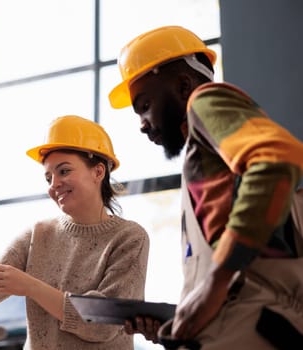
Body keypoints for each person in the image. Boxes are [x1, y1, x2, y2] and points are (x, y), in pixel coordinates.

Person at [108, 25, 303, 349]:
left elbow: (278, 159)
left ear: (183, 85)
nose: (142, 124)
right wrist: (179, 325)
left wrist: (214, 285)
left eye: (144, 105)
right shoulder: (208, 163)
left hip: (259, 324)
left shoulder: (204, 100)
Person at [0, 114, 150, 349]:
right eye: (48, 177)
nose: (54, 185)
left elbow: (104, 323)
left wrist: (30, 286)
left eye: (64, 171)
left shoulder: (130, 238)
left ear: (98, 172)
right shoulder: (38, 235)